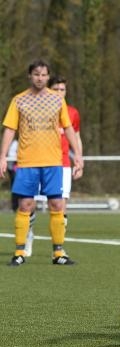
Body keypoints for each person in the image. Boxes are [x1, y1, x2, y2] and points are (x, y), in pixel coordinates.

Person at [0, 59, 83, 266]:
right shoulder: (19, 100)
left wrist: (78, 154)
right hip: (27, 162)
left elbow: (69, 128)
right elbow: (10, 129)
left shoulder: (57, 100)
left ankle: (58, 253)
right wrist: (2, 156)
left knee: (57, 204)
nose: (40, 78)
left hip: (53, 162)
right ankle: (19, 252)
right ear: (30, 76)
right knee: (25, 204)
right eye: (36, 74)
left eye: (44, 75)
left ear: (48, 76)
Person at [24, 75, 83, 257]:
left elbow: (76, 137)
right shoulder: (38, 110)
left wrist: (79, 159)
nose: (59, 93)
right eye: (55, 89)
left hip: (63, 164)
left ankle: (58, 248)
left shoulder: (72, 113)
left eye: (62, 90)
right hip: (38, 162)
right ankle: (28, 237)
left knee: (60, 207)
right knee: (30, 204)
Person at [6, 140, 18, 212]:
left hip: (19, 167)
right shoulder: (14, 143)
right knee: (15, 187)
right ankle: (15, 206)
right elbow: (11, 154)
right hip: (14, 167)